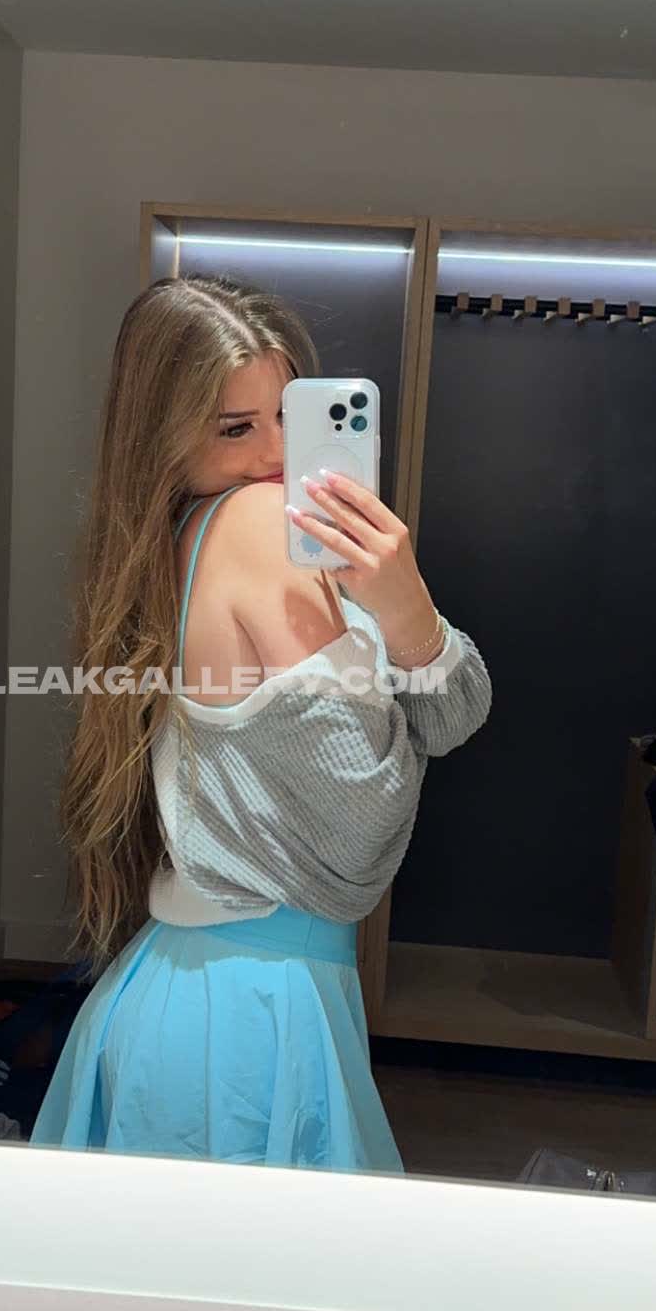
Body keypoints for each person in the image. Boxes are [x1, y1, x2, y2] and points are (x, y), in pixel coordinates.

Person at [30, 276, 491, 1172]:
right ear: (166, 439)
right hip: (248, 1015)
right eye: (235, 428)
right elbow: (361, 843)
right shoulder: (252, 524)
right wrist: (404, 627)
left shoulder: (174, 542)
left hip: (209, 990)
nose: (277, 455)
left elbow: (454, 717)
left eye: (288, 415)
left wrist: (404, 607)